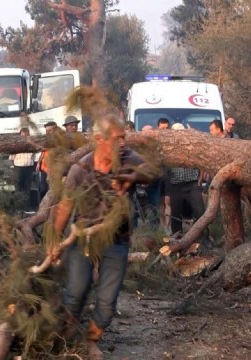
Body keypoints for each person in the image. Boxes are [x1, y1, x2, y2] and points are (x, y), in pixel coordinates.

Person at [48, 114, 158, 359]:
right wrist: (54, 240)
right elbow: (65, 206)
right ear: (99, 139)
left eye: (124, 137)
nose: (123, 143)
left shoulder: (128, 159)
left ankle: (91, 341)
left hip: (117, 240)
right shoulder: (80, 169)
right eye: (117, 138)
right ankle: (64, 339)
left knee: (107, 303)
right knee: (76, 292)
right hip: (83, 238)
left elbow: (152, 172)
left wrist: (132, 177)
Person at [166, 123, 212, 248]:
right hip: (175, 185)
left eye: (181, 132)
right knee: (175, 213)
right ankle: (177, 239)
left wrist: (201, 177)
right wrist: (167, 190)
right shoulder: (168, 147)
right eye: (176, 132)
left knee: (200, 211)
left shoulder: (191, 145)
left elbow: (202, 159)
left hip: (192, 184)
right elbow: (164, 169)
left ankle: (204, 238)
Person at [9, 127, 38, 213]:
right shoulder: (15, 146)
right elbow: (11, 158)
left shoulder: (32, 145)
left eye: (26, 135)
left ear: (28, 135)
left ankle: (27, 208)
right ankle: (17, 208)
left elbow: (35, 157)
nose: (24, 137)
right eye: (22, 136)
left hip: (29, 168)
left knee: (27, 188)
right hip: (18, 168)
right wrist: (14, 168)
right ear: (20, 136)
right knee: (18, 188)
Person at [36, 121, 58, 202]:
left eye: (50, 131)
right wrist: (38, 162)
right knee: (43, 189)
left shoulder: (60, 140)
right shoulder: (46, 139)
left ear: (55, 130)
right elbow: (43, 152)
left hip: (55, 170)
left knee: (53, 190)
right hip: (45, 169)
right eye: (46, 131)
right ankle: (42, 207)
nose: (48, 133)